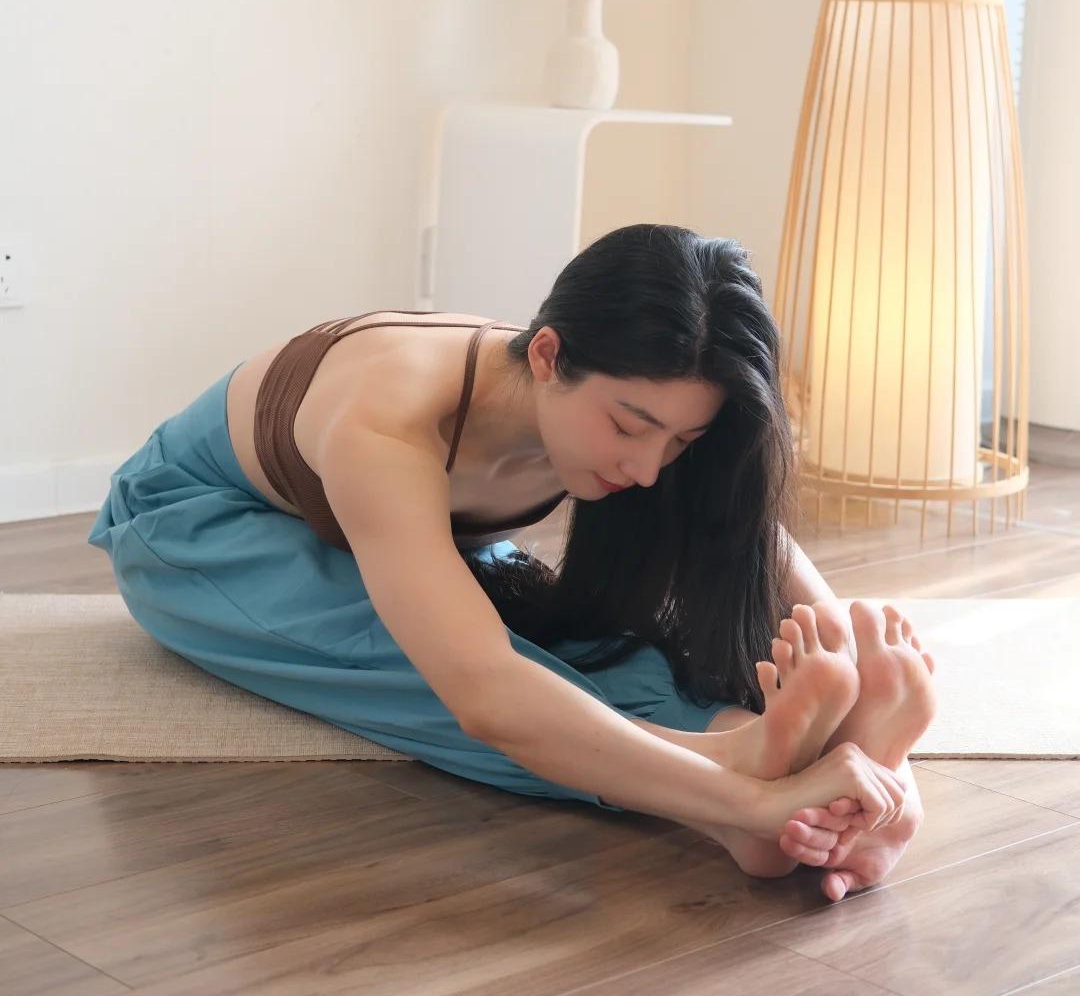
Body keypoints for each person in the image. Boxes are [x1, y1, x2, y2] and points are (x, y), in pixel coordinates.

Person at [88, 223, 935, 899]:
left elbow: (740, 533)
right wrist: (753, 803)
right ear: (546, 356)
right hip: (199, 530)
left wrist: (857, 690)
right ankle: (733, 800)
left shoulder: (628, 407)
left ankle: (745, 745)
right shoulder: (385, 415)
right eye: (630, 427)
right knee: (430, 665)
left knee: (575, 648)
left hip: (402, 528)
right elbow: (486, 694)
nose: (649, 468)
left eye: (681, 440)